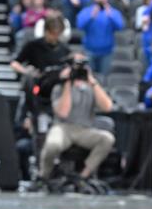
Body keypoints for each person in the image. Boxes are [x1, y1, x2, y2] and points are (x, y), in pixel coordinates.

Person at [39, 56, 116, 184]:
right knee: (52, 145)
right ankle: (44, 176)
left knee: (107, 138)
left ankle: (83, 176)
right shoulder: (59, 88)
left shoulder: (92, 88)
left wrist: (93, 82)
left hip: (85, 129)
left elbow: (108, 107)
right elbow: (63, 113)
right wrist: (68, 82)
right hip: (63, 127)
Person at [76, 0, 125, 79]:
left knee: (104, 79)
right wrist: (91, 16)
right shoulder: (86, 11)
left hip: (107, 52)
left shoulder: (113, 12)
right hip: (89, 51)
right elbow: (80, 26)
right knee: (88, 78)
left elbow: (120, 27)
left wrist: (110, 15)